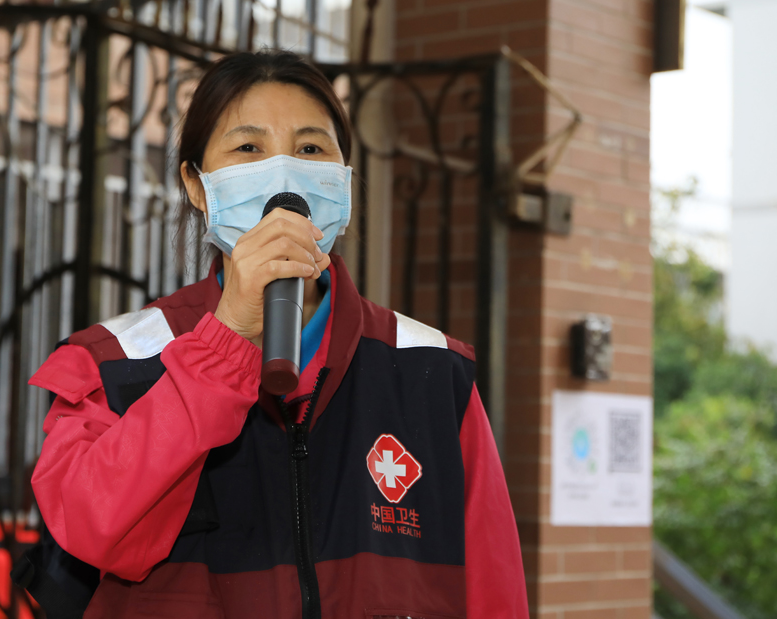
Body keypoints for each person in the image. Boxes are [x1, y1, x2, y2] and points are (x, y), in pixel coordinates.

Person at [30, 50, 529, 618]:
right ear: (197, 185)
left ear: (343, 178)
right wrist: (226, 342)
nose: (285, 175)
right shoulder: (112, 363)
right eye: (248, 148)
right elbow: (89, 528)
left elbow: (494, 590)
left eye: (311, 149)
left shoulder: (432, 371)